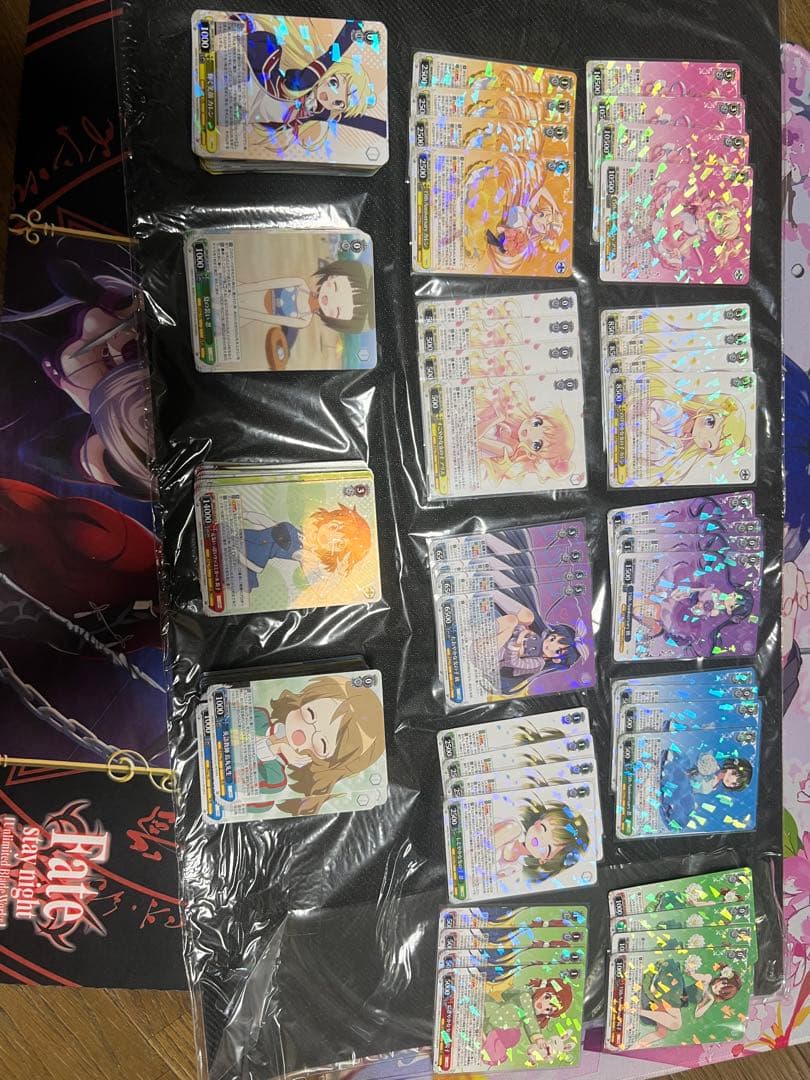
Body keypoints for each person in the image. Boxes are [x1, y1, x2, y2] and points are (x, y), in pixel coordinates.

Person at [248, 675, 384, 815]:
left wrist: (275, 749)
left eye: (322, 743)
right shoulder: (258, 717)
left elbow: (241, 781)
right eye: (310, 714)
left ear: (327, 763)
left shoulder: (275, 779)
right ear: (303, 701)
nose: (307, 732)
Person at [240, 504, 371, 592]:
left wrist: (338, 574)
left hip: (252, 559)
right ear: (327, 519)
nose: (330, 537)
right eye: (333, 527)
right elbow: (266, 522)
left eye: (339, 544)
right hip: (247, 539)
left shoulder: (309, 556)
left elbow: (320, 590)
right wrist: (245, 515)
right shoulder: (296, 532)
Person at [494, 798, 589, 884]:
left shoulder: (516, 868)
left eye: (549, 847)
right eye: (543, 828)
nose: (541, 839)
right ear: (537, 822)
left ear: (544, 860)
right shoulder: (513, 829)